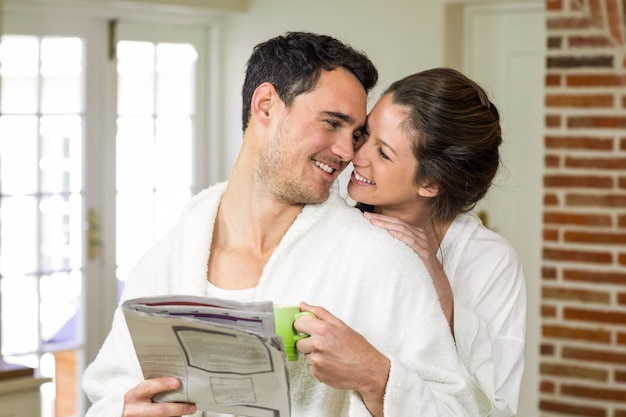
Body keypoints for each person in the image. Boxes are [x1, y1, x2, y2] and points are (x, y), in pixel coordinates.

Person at [82, 33, 487, 417]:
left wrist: (375, 374)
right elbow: (107, 395)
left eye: (357, 133)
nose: (348, 152)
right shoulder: (165, 263)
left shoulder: (381, 265)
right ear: (265, 106)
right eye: (332, 123)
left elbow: (460, 411)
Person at [347, 67, 527, 417]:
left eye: (383, 153)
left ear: (430, 182)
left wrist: (438, 288)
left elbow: (497, 406)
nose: (356, 156)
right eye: (364, 134)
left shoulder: (491, 261)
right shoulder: (334, 227)